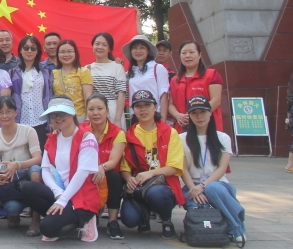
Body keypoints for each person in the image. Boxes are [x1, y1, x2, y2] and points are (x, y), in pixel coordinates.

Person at [19, 96, 100, 242]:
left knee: (47, 229)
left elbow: (82, 173)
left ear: (73, 113)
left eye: (62, 113)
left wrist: (63, 200)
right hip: (60, 193)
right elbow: (45, 169)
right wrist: (58, 193)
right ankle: (59, 216)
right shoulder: (52, 139)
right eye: (53, 115)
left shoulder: (87, 138)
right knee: (27, 188)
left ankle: (85, 220)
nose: (57, 118)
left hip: (80, 197)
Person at [180, 96, 247, 243]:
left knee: (213, 189)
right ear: (189, 115)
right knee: (202, 211)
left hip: (218, 184)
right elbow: (183, 169)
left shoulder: (222, 138)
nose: (199, 116)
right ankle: (213, 230)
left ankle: (236, 228)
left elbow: (222, 168)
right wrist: (194, 189)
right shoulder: (181, 139)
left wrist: (203, 186)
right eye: (194, 113)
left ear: (210, 113)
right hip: (192, 185)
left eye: (203, 112)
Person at [119, 90, 184, 239]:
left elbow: (174, 167)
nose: (143, 109)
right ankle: (144, 216)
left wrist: (151, 173)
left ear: (155, 107)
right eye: (138, 106)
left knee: (157, 194)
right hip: (139, 187)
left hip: (163, 186)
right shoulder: (129, 135)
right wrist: (129, 178)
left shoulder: (170, 132)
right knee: (129, 220)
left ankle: (166, 221)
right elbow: (124, 167)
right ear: (133, 110)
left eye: (147, 105)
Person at [0, 96, 43, 233]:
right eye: (0, 112)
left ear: (15, 112)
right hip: (11, 180)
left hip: (28, 175)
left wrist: (17, 165)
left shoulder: (29, 131)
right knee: (11, 207)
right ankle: (17, 209)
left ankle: (36, 218)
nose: (4, 116)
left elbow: (38, 159)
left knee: (36, 170)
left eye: (9, 111)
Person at [81, 94, 126, 240]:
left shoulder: (118, 133)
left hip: (107, 173)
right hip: (86, 174)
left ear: (107, 110)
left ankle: (113, 221)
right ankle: (90, 214)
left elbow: (114, 161)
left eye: (100, 109)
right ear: (86, 112)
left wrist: (101, 167)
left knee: (113, 176)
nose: (95, 113)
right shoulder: (80, 130)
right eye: (91, 109)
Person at [168, 40, 224, 133]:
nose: (187, 56)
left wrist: (195, 116)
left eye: (192, 52)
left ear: (199, 55)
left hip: (207, 126)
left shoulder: (211, 75)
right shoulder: (175, 80)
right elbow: (171, 104)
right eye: (184, 53)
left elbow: (216, 100)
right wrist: (178, 115)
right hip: (183, 126)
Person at [10, 35, 53, 149]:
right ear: (20, 50)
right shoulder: (13, 73)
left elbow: (50, 97)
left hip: (41, 122)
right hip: (20, 122)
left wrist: (51, 121)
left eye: (33, 48)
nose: (29, 51)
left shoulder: (46, 72)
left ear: (38, 51)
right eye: (26, 48)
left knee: (42, 154)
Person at [122, 34, 170, 122]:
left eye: (142, 48)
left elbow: (164, 95)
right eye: (134, 48)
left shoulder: (158, 68)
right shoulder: (131, 72)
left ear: (148, 51)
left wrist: (163, 121)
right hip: (136, 116)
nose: (138, 51)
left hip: (154, 115)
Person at [87, 33, 127, 129]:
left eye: (104, 45)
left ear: (109, 49)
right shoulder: (87, 69)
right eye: (97, 44)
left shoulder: (117, 67)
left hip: (114, 111)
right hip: (95, 112)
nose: (100, 47)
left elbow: (121, 94)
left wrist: (118, 120)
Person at [52, 40, 93, 121]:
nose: (66, 55)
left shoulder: (83, 71)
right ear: (57, 54)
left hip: (79, 117)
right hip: (59, 117)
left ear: (75, 53)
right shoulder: (52, 73)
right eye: (62, 52)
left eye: (70, 51)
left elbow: (88, 96)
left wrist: (88, 118)